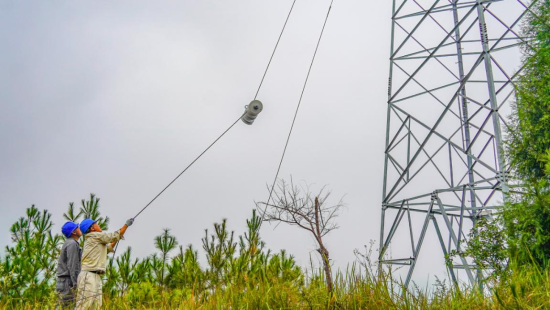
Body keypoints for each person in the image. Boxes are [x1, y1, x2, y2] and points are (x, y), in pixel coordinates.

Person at [75, 218, 133, 310]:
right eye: (96, 224)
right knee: (83, 306)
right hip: (88, 276)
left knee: (96, 306)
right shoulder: (94, 236)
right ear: (92, 228)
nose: (99, 225)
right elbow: (114, 236)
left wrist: (119, 236)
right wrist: (126, 225)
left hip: (95, 276)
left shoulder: (96, 240)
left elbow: (109, 246)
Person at [56, 221, 82, 308]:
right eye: (77, 227)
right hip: (67, 282)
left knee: (62, 306)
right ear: (74, 232)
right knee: (67, 307)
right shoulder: (72, 244)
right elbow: (73, 265)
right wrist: (76, 284)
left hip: (63, 281)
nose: (79, 228)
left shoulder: (69, 242)